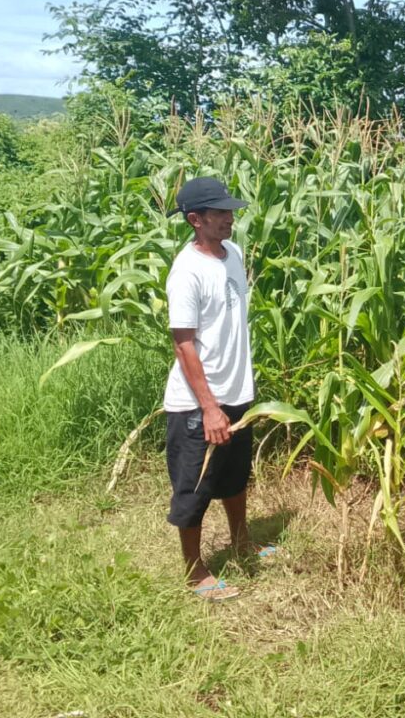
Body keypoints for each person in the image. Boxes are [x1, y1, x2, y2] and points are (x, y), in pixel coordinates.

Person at [164, 176, 259, 600]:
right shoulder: (186, 271)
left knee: (236, 476)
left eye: (230, 211)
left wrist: (235, 395)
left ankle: (241, 542)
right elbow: (184, 344)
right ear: (194, 220)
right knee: (194, 488)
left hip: (237, 392)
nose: (229, 219)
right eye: (219, 213)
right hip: (199, 403)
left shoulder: (232, 253)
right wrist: (209, 407)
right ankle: (194, 571)